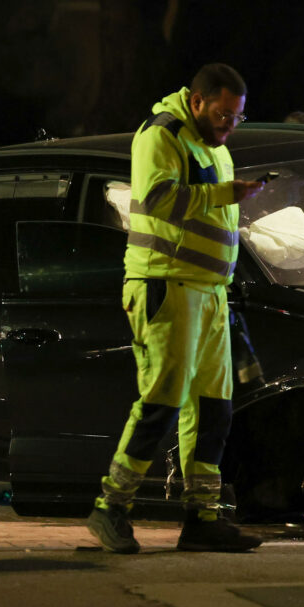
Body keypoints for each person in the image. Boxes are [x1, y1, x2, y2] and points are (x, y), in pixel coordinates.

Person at [87, 63, 265, 554]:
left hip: (208, 292)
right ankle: (111, 508)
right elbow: (160, 200)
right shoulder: (160, 136)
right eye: (223, 113)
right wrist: (227, 194)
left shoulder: (214, 147)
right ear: (196, 100)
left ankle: (203, 519)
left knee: (214, 410)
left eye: (237, 117)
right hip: (165, 286)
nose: (229, 124)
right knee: (162, 402)